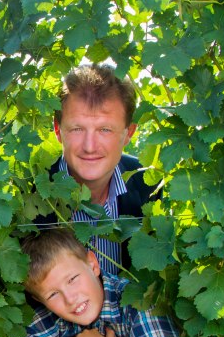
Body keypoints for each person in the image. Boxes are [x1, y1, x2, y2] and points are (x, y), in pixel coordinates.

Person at [0, 228, 178, 337]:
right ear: (40, 300)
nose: (70, 299)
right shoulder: (53, 317)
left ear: (93, 264)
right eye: (52, 294)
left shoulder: (140, 302)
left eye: (72, 279)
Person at [37, 64, 160, 275]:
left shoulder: (149, 184)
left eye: (105, 129)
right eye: (77, 129)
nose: (90, 146)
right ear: (58, 130)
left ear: (128, 133)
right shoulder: (30, 194)